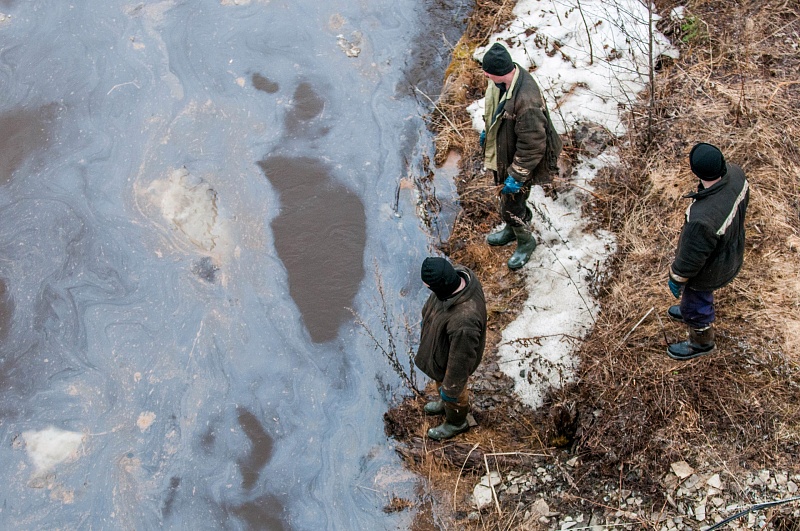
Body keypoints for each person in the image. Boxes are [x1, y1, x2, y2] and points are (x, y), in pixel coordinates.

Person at [480, 42, 560, 270]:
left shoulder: (526, 101)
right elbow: (498, 113)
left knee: (512, 204)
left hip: (522, 162)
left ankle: (525, 240)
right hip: (506, 153)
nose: (485, 76)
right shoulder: (506, 83)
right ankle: (511, 229)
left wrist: (517, 175)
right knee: (508, 202)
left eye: (487, 73)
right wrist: (490, 130)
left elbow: (533, 145)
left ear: (498, 73)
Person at [666, 143, 749, 360]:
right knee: (694, 300)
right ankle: (688, 310)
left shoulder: (702, 218)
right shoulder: (737, 175)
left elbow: (690, 258)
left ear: (696, 171)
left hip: (711, 270)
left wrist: (677, 277)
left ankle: (701, 342)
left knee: (696, 302)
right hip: (732, 250)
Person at [414, 257, 487, 440]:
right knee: (441, 384)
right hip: (444, 350)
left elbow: (460, 363)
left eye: (429, 287)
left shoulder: (464, 321)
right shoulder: (456, 278)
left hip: (453, 362)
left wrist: (450, 390)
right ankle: (444, 402)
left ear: (441, 286)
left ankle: (456, 422)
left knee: (454, 392)